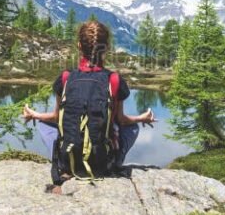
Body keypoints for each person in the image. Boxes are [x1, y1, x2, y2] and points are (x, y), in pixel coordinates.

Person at [22, 20, 156, 174]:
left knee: (43, 124)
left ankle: (62, 158)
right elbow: (122, 120)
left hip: (68, 162)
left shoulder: (66, 77)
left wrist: (34, 115)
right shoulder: (114, 80)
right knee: (132, 127)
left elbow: (56, 117)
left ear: (79, 45)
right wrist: (142, 118)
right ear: (107, 48)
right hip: (104, 164)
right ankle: (115, 161)